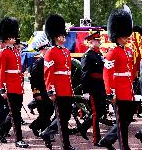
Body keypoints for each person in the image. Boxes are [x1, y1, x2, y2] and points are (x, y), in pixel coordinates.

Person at [98, 9, 135, 150]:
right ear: (117, 35)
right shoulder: (112, 53)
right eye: (124, 35)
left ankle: (108, 141)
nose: (126, 38)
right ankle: (123, 146)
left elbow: (129, 72)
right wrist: (110, 92)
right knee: (121, 122)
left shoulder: (127, 51)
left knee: (125, 120)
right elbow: (107, 74)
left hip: (127, 90)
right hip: (118, 91)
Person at [42, 14, 76, 150]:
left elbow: (68, 73)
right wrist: (51, 90)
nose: (63, 38)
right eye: (61, 36)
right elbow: (48, 73)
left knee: (66, 116)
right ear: (55, 37)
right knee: (62, 119)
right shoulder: (50, 52)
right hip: (58, 89)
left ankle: (47, 132)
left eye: (64, 35)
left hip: (66, 88)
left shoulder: (66, 52)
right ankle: (65, 145)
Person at [0, 17, 28, 148]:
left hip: (17, 86)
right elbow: (1, 72)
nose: (14, 39)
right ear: (6, 38)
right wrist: (2, 88)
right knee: (15, 115)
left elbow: (16, 69)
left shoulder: (15, 52)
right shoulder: (3, 53)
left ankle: (1, 129)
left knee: (15, 112)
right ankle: (18, 139)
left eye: (14, 37)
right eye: (11, 37)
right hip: (9, 86)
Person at [77, 31, 107, 146]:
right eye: (97, 40)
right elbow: (85, 74)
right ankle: (96, 139)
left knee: (101, 111)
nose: (99, 42)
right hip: (93, 87)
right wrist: (85, 91)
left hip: (101, 86)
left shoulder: (99, 54)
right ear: (90, 42)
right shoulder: (87, 55)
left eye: (99, 40)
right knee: (96, 113)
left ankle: (83, 127)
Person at [29, 42, 54, 137]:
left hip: (47, 91)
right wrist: (36, 94)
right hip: (41, 92)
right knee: (44, 114)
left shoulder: (48, 61)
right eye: (46, 49)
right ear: (42, 50)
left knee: (49, 112)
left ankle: (35, 126)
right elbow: (34, 81)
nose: (48, 51)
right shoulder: (38, 63)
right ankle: (46, 133)